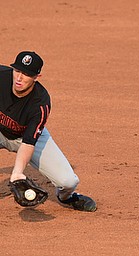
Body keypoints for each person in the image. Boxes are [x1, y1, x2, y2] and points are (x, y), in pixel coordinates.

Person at [0, 51, 96, 211]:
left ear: (37, 77)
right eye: (17, 71)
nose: (19, 78)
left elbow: (28, 142)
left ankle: (66, 197)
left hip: (26, 138)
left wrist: (17, 173)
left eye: (26, 74)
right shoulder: (1, 76)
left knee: (68, 182)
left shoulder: (40, 103)